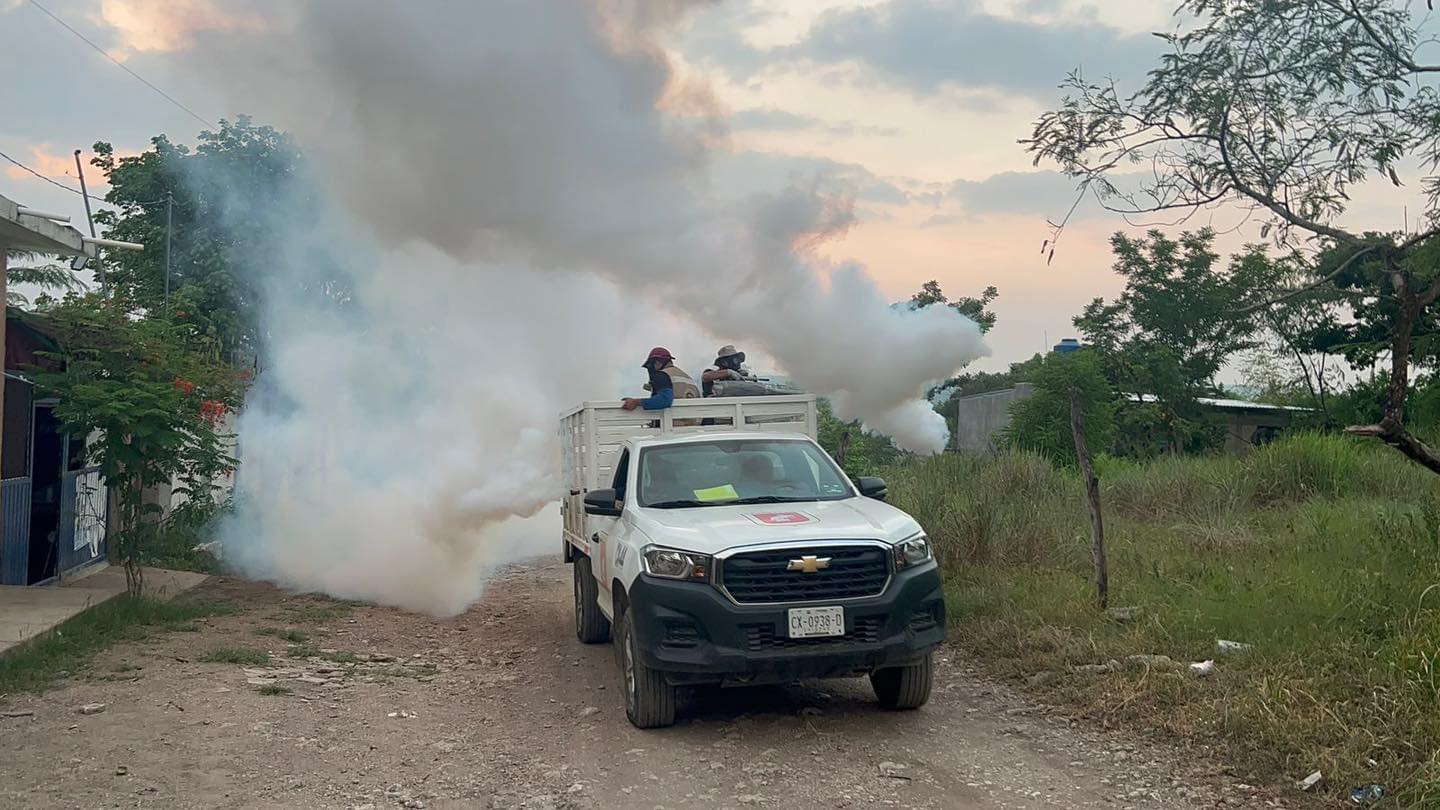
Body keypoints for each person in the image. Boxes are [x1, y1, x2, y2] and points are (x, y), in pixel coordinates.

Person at [622, 347, 700, 411]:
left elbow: (665, 400)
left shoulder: (662, 375)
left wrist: (635, 402)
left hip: (673, 424)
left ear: (657, 363)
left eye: (651, 366)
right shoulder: (688, 378)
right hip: (694, 426)